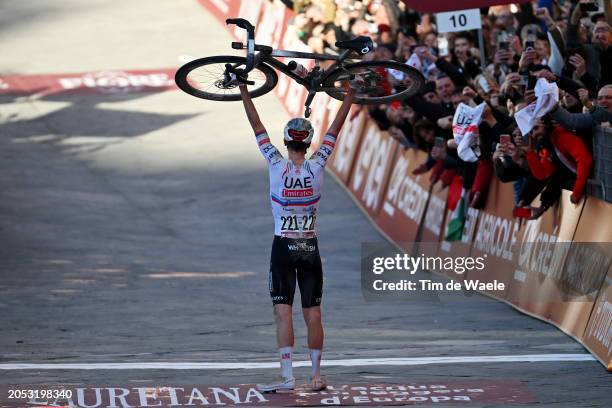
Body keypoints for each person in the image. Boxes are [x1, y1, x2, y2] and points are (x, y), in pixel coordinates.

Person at [237, 82, 355, 392]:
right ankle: (316, 376)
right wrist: (350, 97)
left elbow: (256, 125)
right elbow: (335, 130)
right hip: (309, 245)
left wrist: (244, 91)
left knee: (283, 312)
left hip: (283, 245)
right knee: (313, 312)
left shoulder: (276, 163)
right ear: (309, 142)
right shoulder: (317, 165)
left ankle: (288, 377)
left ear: (287, 140)